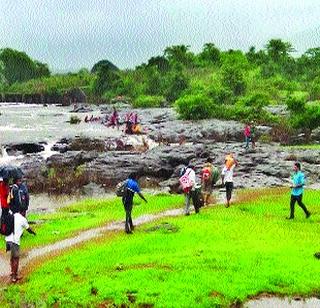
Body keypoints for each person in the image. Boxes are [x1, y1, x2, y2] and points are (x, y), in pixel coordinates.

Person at [5, 210, 36, 282]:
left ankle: (12, 272)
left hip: (8, 240)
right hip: (15, 241)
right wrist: (34, 233)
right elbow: (28, 229)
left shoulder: (13, 215)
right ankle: (14, 277)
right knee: (16, 258)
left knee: (12, 257)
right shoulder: (23, 219)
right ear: (23, 212)